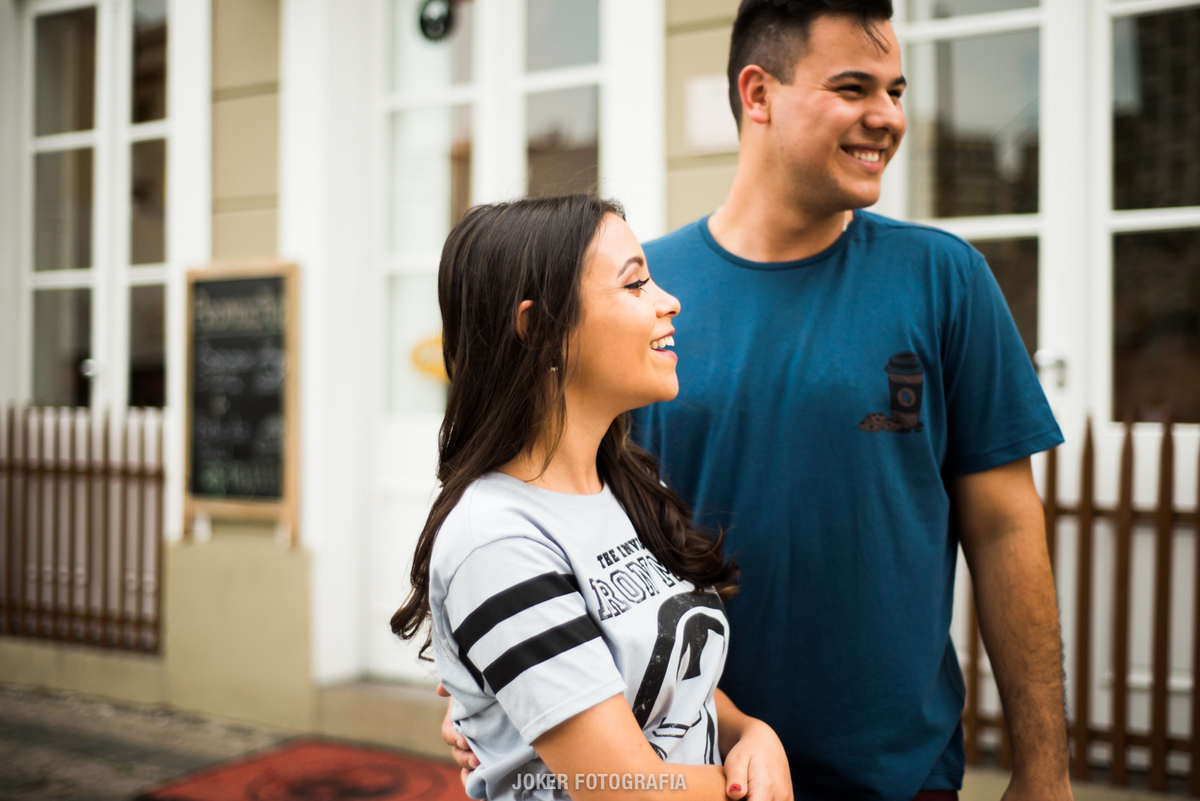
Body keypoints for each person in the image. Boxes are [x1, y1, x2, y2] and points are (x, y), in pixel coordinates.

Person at [444, 2, 1072, 800]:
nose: (888, 117)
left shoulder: (945, 280)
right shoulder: (629, 308)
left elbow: (1007, 526)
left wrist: (1046, 769)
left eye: (897, 90)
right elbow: (544, 516)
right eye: (853, 88)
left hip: (897, 780)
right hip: (681, 770)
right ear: (758, 93)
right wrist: (504, 694)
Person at [393, 195, 793, 801]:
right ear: (539, 331)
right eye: (635, 285)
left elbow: (676, 682)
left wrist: (751, 735)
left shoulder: (633, 488)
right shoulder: (495, 539)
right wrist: (754, 789)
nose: (669, 301)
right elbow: (623, 790)